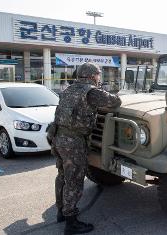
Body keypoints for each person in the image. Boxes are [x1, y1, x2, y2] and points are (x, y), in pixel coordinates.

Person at [51, 62, 122, 234]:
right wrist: (104, 91)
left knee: (62, 175)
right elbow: (116, 102)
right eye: (98, 75)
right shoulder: (91, 91)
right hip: (73, 141)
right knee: (74, 180)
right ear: (92, 76)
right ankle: (71, 222)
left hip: (58, 137)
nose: (99, 78)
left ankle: (61, 211)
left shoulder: (69, 89)